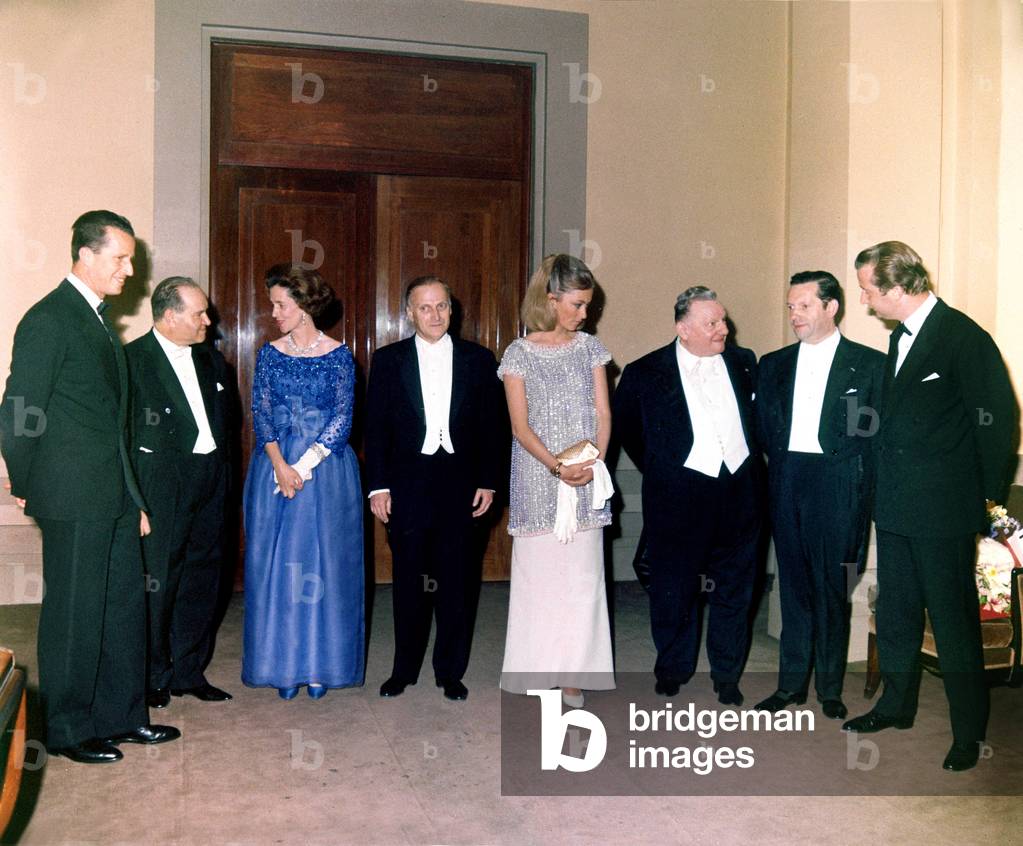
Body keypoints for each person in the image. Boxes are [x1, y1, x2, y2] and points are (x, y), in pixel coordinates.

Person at [0, 210, 179, 763]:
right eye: (120, 258)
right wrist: (27, 482)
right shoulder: (51, 318)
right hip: (71, 494)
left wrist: (134, 497)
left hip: (113, 494)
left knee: (123, 608)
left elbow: (111, 426)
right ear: (85, 254)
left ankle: (122, 718)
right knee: (76, 614)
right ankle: (69, 729)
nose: (130, 270)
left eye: (130, 258)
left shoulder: (97, 319)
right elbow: (21, 410)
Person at [843, 241, 1018, 772]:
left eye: (870, 291)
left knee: (953, 621)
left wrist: (986, 503)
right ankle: (896, 705)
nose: (867, 302)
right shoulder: (899, 339)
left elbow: (999, 424)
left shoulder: (965, 338)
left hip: (944, 512)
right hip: (895, 506)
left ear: (898, 288)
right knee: (896, 612)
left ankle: (968, 733)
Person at [614, 286, 764, 705]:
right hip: (678, 499)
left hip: (740, 494)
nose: (724, 329)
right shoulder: (645, 372)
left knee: (736, 590)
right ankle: (673, 669)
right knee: (674, 588)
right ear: (683, 328)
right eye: (712, 323)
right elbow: (630, 431)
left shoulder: (744, 362)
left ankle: (727, 675)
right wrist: (669, 472)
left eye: (723, 320)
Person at [753, 271, 885, 720]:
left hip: (840, 483)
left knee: (833, 588)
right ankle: (790, 686)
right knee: (792, 587)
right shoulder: (772, 364)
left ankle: (830, 688)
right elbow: (764, 431)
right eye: (790, 306)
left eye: (804, 306)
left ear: (831, 307)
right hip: (789, 478)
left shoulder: (869, 365)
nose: (794, 315)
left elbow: (876, 437)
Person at [366, 276, 502, 702]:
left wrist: (489, 481)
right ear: (409, 313)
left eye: (442, 306)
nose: (435, 315)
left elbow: (493, 428)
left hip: (462, 485)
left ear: (452, 309)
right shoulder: (388, 360)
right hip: (408, 485)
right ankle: (403, 670)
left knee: (458, 583)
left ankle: (450, 672)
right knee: (410, 581)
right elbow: (376, 427)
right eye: (425, 308)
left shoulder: (479, 360)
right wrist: (378, 487)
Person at [241, 263, 364, 699]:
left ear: (305, 305)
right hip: (274, 469)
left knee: (323, 567)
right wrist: (279, 464)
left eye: (280, 304)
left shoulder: (339, 355)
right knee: (279, 569)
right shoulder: (270, 353)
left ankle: (319, 665)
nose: (273, 312)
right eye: (273, 304)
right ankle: (283, 665)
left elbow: (343, 417)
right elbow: (262, 412)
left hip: (326, 471)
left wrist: (306, 464)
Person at [497, 254, 615, 708]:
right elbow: (520, 427)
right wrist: (556, 468)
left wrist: (594, 462)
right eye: (578, 304)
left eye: (588, 305)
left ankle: (574, 675)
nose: (585, 314)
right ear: (551, 299)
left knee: (583, 581)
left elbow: (603, 412)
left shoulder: (590, 349)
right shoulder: (518, 353)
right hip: (537, 477)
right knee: (539, 580)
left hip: (586, 475)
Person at [125, 277, 234, 709]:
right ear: (169, 317)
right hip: (162, 484)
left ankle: (189, 671)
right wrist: (134, 498)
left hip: (210, 479)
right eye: (199, 314)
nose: (208, 320)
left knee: (203, 576)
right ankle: (153, 675)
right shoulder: (132, 361)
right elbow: (123, 435)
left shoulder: (212, 360)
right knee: (159, 581)